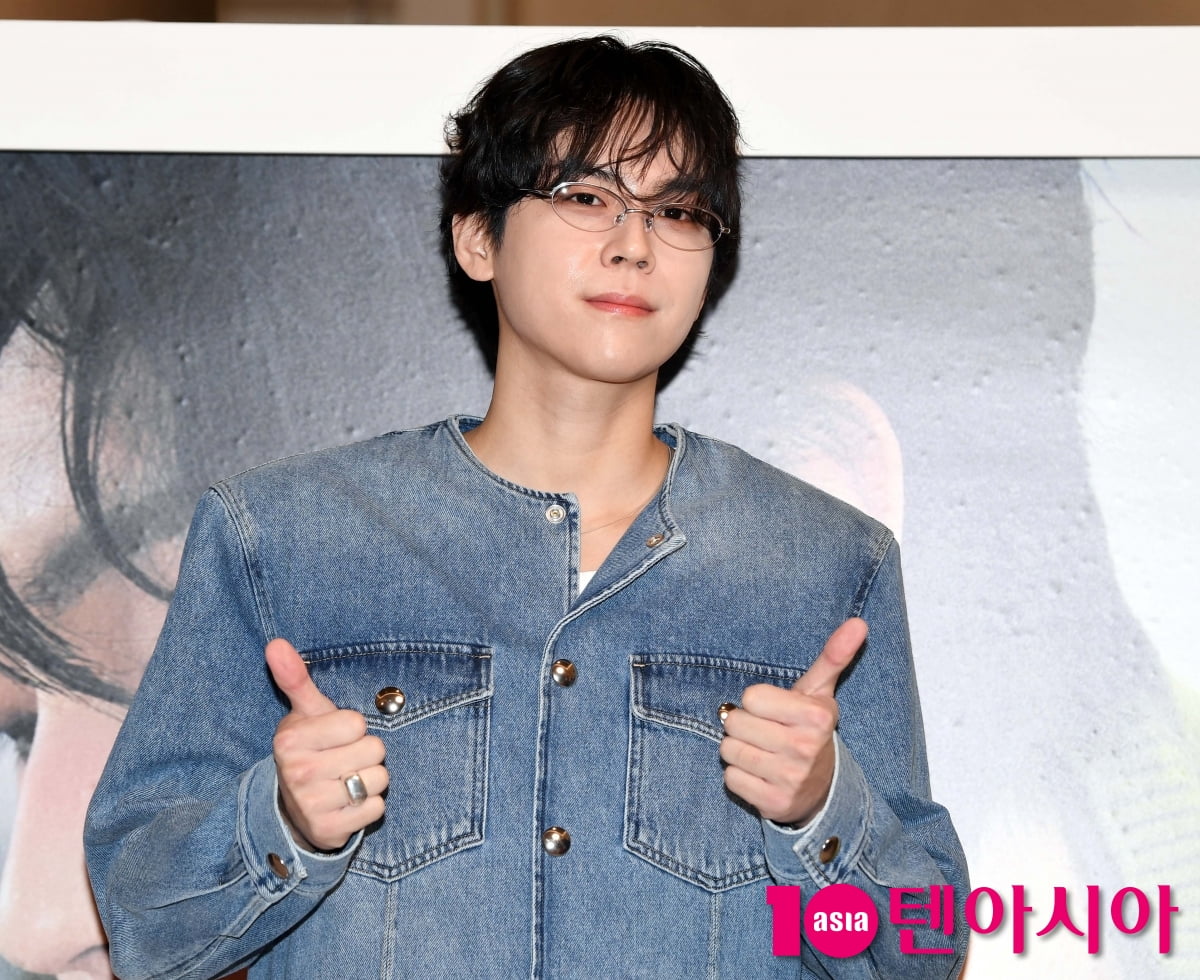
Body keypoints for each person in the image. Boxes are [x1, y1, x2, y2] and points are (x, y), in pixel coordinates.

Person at [84, 36, 968, 979]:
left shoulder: (828, 566)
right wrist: (283, 823)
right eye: (585, 196)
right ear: (479, 238)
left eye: (677, 211)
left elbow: (922, 952)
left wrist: (824, 811)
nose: (633, 244)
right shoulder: (282, 538)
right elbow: (144, 928)